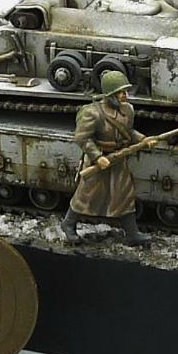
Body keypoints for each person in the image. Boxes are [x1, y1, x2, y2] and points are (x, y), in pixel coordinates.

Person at [62, 69, 153, 246]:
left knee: (125, 195)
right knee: (86, 194)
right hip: (100, 160)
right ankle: (68, 224)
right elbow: (82, 138)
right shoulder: (93, 113)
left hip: (118, 159)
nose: (125, 95)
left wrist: (143, 139)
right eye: (120, 92)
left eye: (125, 91)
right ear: (110, 94)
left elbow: (128, 132)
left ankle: (132, 234)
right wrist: (97, 157)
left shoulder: (127, 109)